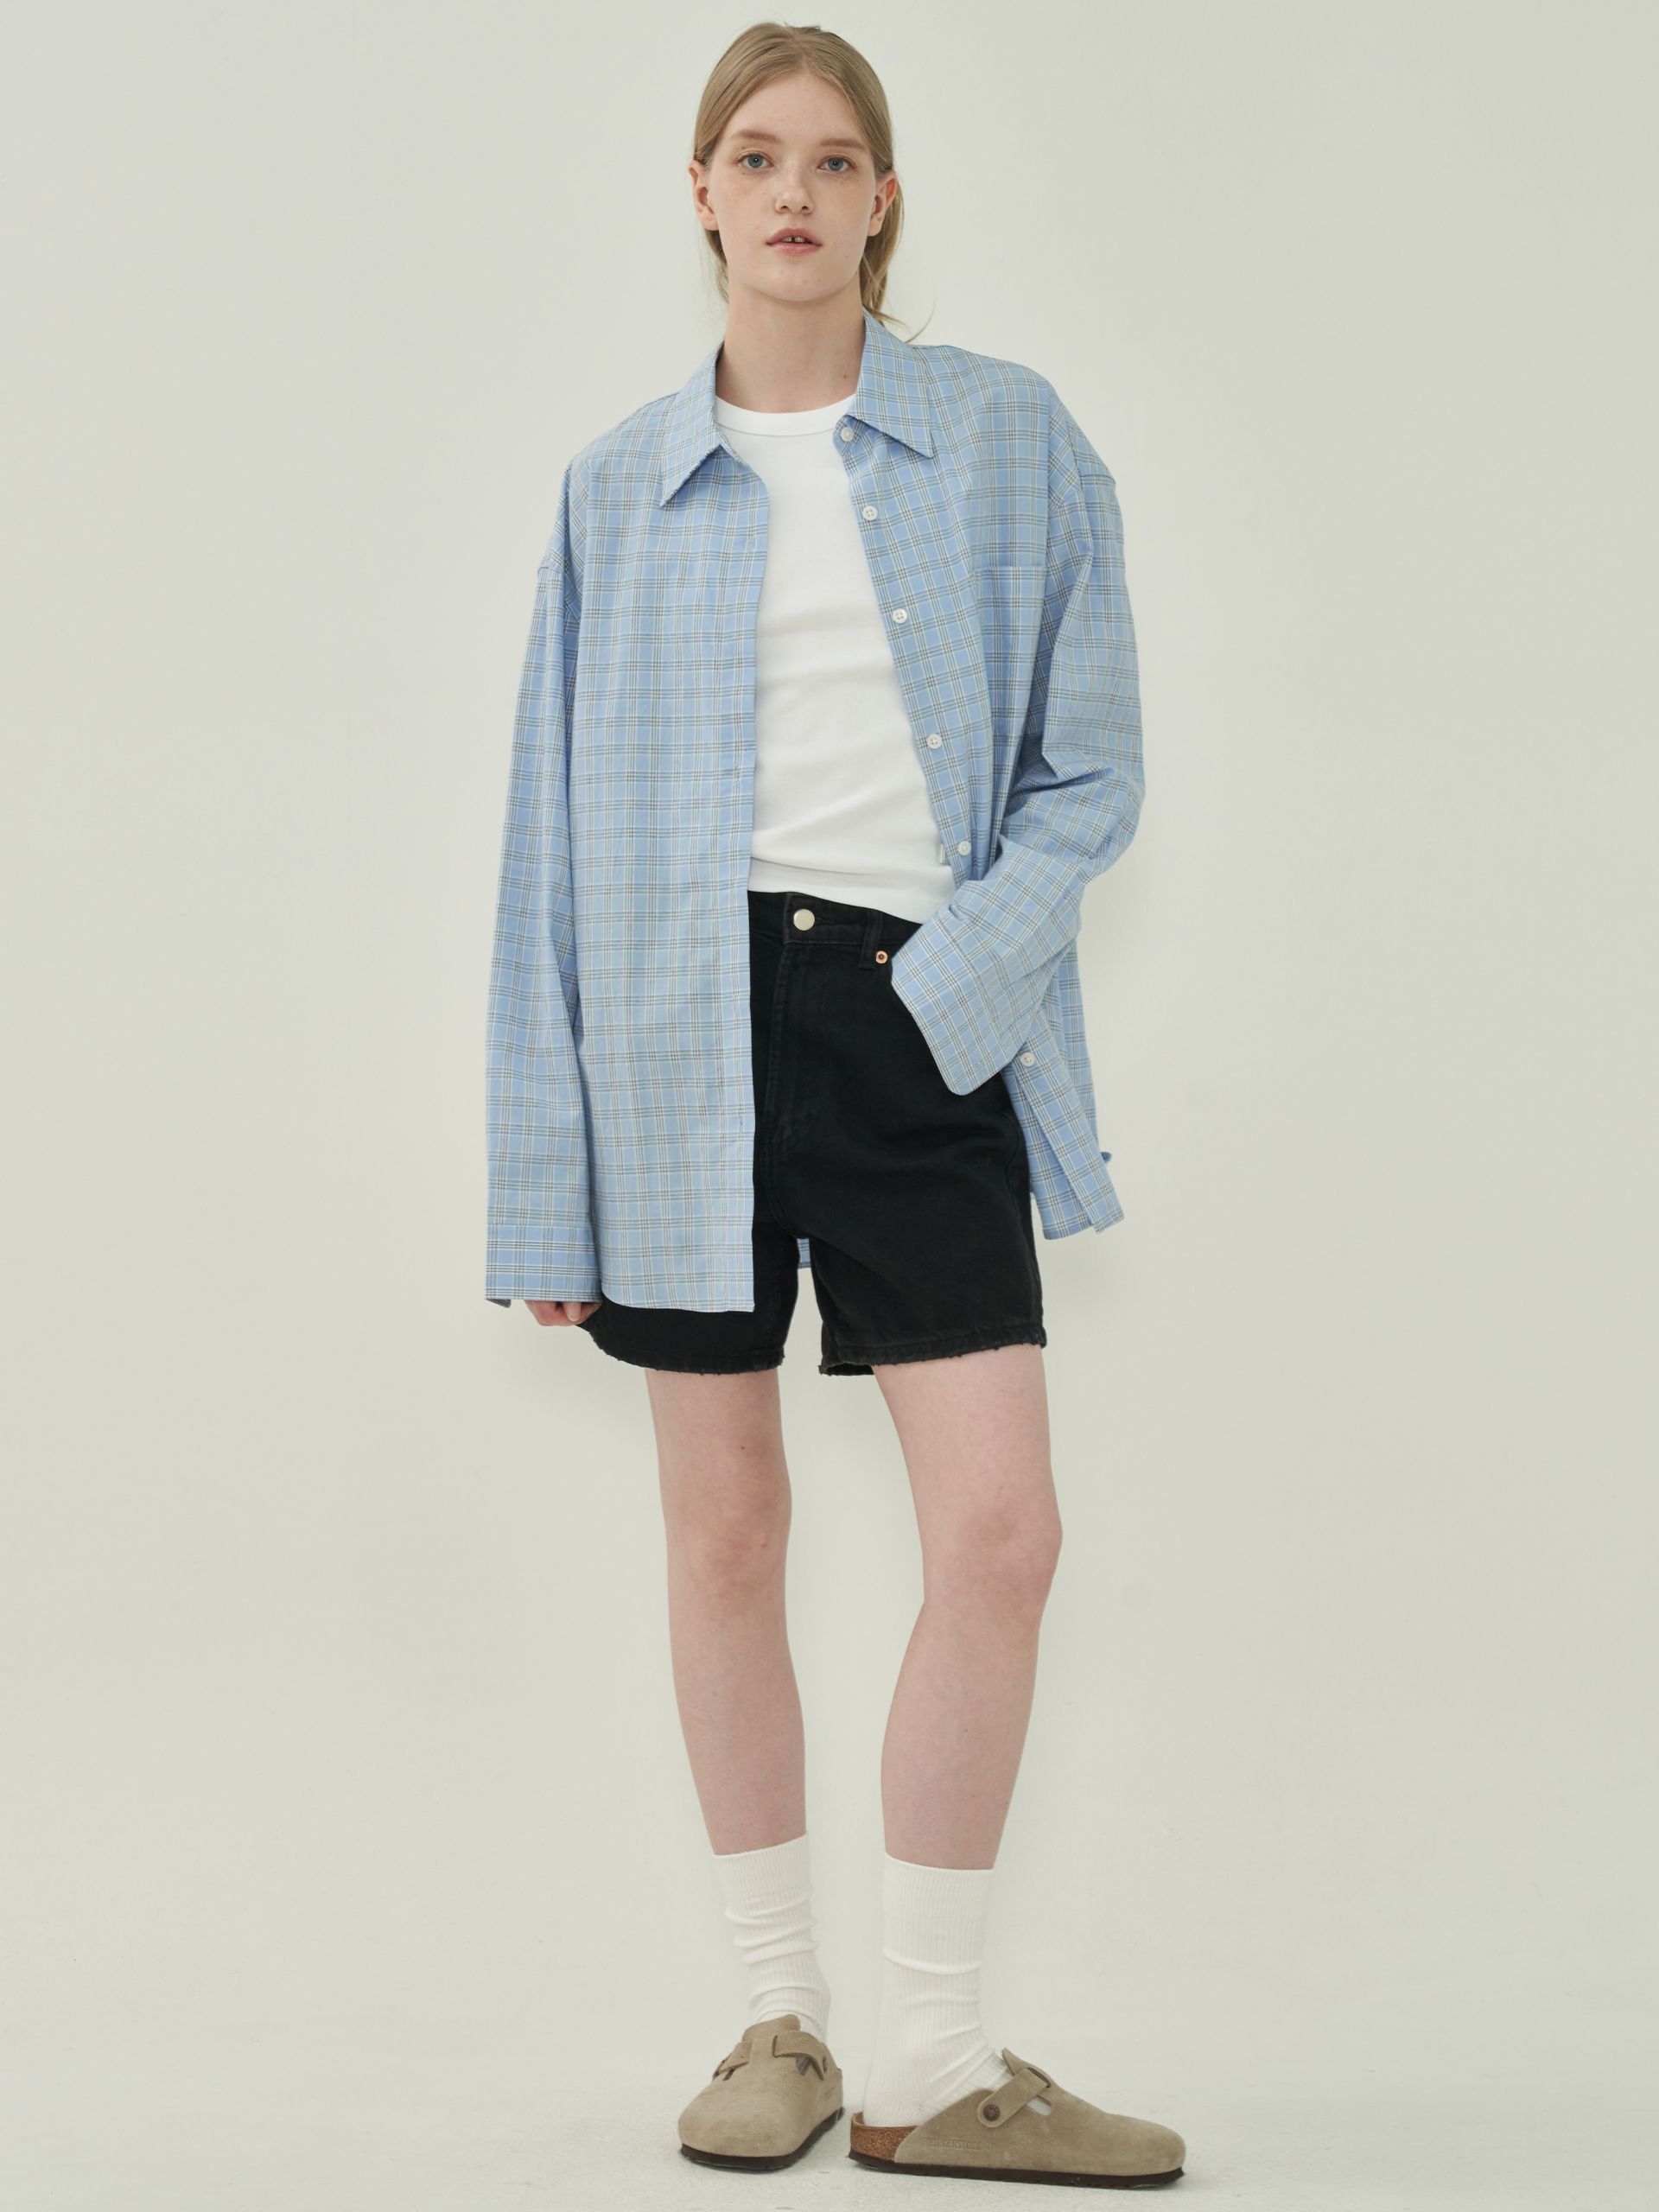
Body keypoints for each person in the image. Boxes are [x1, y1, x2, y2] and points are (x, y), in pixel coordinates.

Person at [485, 21, 1186, 2190]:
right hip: (677, 1042)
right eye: (755, 155)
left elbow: (1093, 769)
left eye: (833, 159)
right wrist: (543, 1186)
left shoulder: (1008, 436)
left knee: (1002, 1531)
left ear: (884, 200)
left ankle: (934, 2056)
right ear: (701, 194)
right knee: (725, 1530)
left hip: (918, 1016)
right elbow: (546, 846)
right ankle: (781, 2020)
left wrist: (958, 980)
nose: (793, 192)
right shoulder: (616, 486)